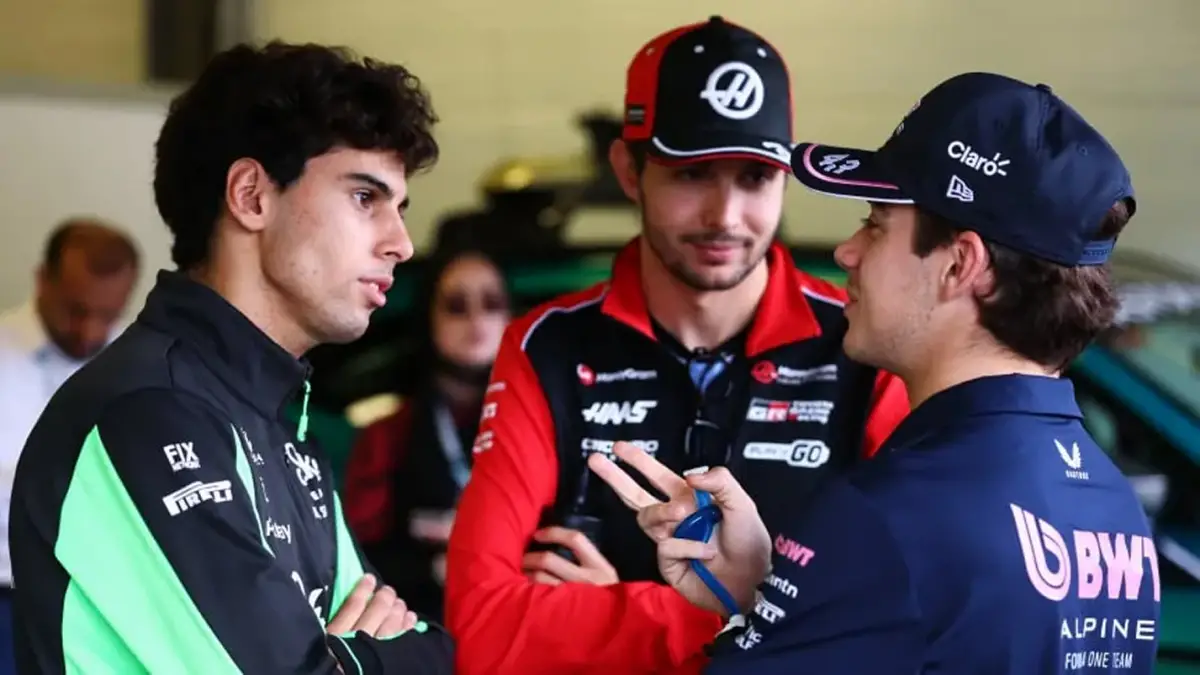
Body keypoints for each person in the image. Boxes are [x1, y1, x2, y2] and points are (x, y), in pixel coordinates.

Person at [590, 71, 1161, 674]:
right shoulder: (1115, 511)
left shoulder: (884, 517)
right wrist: (766, 595)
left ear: (959, 265)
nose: (848, 251)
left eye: (876, 223)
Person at [445, 16, 909, 675]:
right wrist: (738, 615)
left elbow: (907, 618)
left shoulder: (867, 345)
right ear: (628, 172)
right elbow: (481, 625)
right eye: (693, 174)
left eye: (755, 177)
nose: (725, 216)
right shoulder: (545, 346)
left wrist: (604, 619)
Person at [9, 41, 454, 674]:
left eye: (398, 208)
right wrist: (370, 659)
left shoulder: (283, 425)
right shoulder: (146, 413)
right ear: (250, 195)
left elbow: (432, 648)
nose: (401, 244)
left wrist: (363, 658)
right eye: (365, 198)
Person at [344, 244, 512, 621]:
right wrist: (433, 570)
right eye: (456, 306)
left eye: (492, 304)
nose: (477, 320)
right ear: (428, 318)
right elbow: (356, 561)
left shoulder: (544, 422)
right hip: (422, 628)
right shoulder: (387, 436)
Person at [0, 218, 138, 675]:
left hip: (103, 610)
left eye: (108, 315)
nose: (90, 332)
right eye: (75, 310)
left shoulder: (139, 372)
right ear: (43, 281)